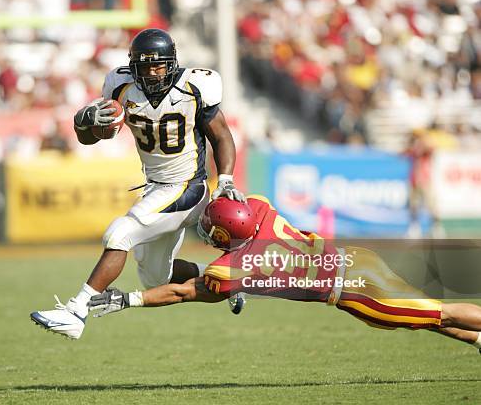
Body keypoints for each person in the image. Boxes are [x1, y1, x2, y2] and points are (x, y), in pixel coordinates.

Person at [30, 29, 246, 339]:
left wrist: (224, 178)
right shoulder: (121, 86)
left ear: (171, 64)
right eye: (145, 67)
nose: (152, 73)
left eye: (158, 66)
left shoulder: (195, 85)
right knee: (157, 278)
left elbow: (221, 135)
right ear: (133, 66)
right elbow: (90, 137)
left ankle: (76, 311)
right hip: (155, 186)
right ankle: (227, 278)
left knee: (120, 233)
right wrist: (84, 122)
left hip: (188, 186)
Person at [88, 195, 481, 355]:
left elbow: (183, 293)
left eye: (213, 229)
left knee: (437, 312)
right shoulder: (260, 210)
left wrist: (130, 298)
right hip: (357, 260)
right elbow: (244, 205)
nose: (208, 232)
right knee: (425, 315)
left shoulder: (231, 267)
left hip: (357, 289)